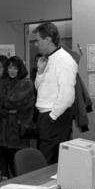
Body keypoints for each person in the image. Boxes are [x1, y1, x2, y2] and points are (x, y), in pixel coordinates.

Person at [33, 22, 78, 165]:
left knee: (49, 162)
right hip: (46, 116)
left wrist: (52, 117)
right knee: (46, 159)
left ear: (48, 40)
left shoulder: (64, 60)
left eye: (37, 40)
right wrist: (40, 72)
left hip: (55, 117)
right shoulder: (48, 59)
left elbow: (67, 96)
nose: (35, 44)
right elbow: (39, 88)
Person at [0, 56, 35, 178]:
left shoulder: (26, 83)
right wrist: (8, 110)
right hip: (5, 128)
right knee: (6, 159)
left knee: (18, 162)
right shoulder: (2, 82)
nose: (12, 70)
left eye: (15, 68)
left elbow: (15, 101)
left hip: (19, 127)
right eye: (10, 67)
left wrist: (7, 104)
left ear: (20, 69)